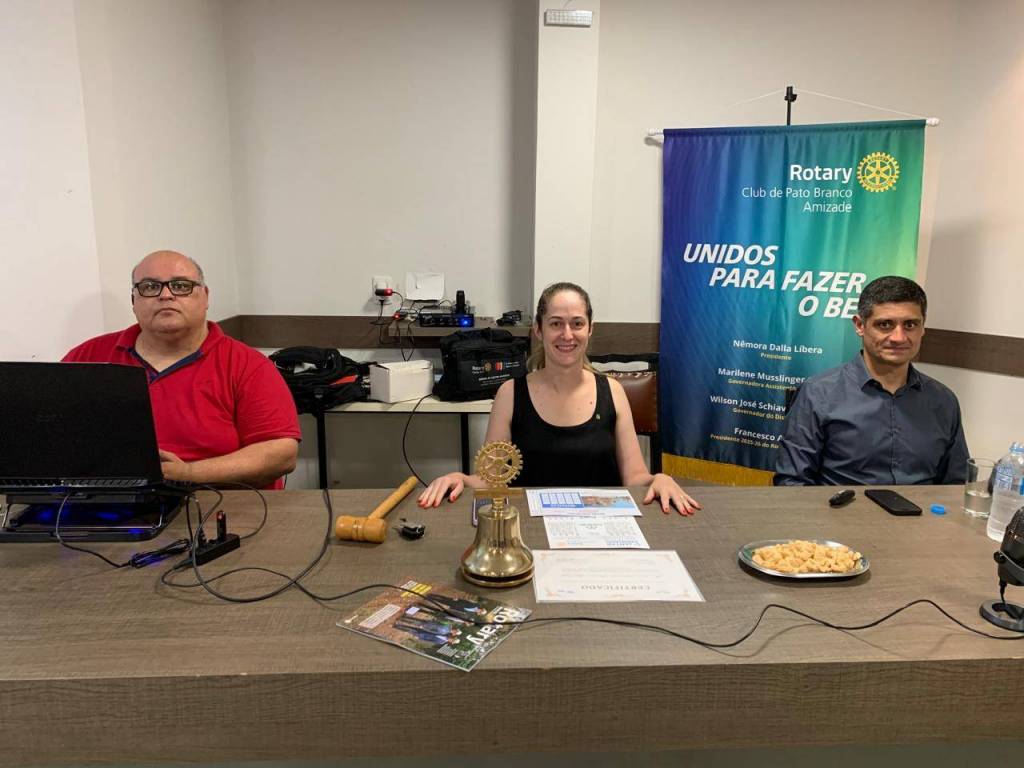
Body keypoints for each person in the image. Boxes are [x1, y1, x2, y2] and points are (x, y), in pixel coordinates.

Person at [418, 282, 701, 514]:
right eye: (556, 324)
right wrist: (460, 478)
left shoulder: (614, 391)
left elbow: (635, 477)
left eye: (577, 323)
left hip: (602, 529)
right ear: (539, 330)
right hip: (530, 532)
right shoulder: (510, 394)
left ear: (590, 329)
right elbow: (490, 480)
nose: (567, 335)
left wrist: (659, 478)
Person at [63, 250, 300, 488]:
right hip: (106, 501)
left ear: (205, 297)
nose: (165, 295)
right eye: (150, 287)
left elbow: (281, 453)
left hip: (219, 501)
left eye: (181, 286)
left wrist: (188, 473)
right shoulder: (86, 358)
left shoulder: (247, 365)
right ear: (134, 301)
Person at [774, 275, 968, 486]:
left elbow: (955, 485)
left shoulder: (943, 401)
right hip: (839, 507)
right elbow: (791, 482)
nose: (899, 337)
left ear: (922, 328)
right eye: (885, 324)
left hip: (922, 508)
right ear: (860, 325)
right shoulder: (817, 394)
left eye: (910, 324)